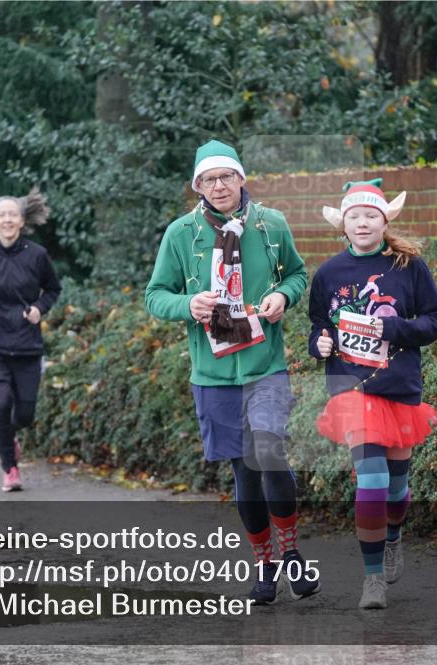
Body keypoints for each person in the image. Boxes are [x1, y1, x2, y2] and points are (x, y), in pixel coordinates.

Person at [145, 139, 320, 604]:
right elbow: (155, 295)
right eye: (208, 180)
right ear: (197, 186)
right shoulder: (181, 234)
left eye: (226, 177)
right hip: (213, 373)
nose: (218, 186)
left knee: (271, 453)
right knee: (244, 471)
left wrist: (284, 296)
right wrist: (188, 304)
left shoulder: (271, 224)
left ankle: (292, 552)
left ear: (242, 179)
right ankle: (265, 564)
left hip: (266, 365)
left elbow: (297, 275)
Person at [308, 179, 437, 609]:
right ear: (344, 225)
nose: (363, 222)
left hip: (397, 388)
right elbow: (318, 325)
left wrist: (395, 328)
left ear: (384, 221)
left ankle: (393, 535)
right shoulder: (328, 273)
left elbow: (436, 321)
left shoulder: (409, 267)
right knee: (371, 478)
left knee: (396, 488)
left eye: (371, 215)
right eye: (355, 216)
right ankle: (372, 579)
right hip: (351, 388)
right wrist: (321, 343)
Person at [0, 187, 61, 492]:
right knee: (0, 404)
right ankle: (10, 468)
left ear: (20, 221)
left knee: (25, 415)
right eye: (1, 215)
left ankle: (9, 436)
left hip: (28, 345)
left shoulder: (37, 255)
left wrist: (39, 309)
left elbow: (53, 290)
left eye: (12, 215)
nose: (7, 220)